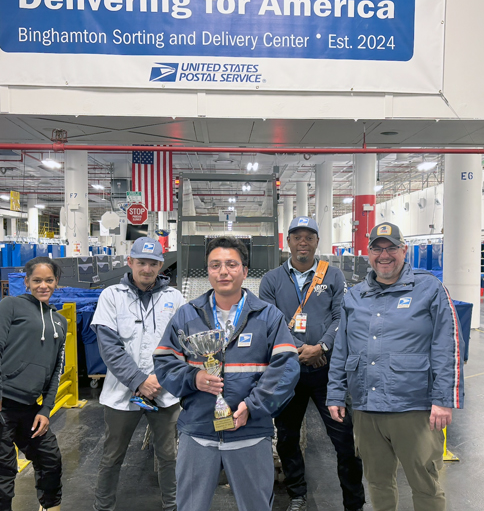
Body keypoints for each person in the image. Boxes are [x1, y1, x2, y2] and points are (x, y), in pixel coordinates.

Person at [153, 235, 300, 511]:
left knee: (256, 505)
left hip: (251, 432)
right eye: (215, 265)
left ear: (245, 271)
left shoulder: (268, 317)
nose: (223, 271)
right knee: (190, 506)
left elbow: (287, 368)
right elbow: (164, 361)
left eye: (231, 264)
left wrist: (252, 406)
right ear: (207, 271)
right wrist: (193, 378)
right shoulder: (187, 315)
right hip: (198, 431)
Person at [327, 222, 465, 511]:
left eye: (391, 248)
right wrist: (335, 394)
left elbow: (447, 345)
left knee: (424, 483)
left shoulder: (429, 288)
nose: (384, 255)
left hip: (414, 407)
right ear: (368, 254)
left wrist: (444, 400)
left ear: (404, 251)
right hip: (367, 407)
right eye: (377, 249)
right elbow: (342, 348)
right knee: (377, 481)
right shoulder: (355, 296)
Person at [259, 216, 365, 511]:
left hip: (327, 371)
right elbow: (270, 323)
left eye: (309, 237)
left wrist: (322, 346)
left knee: (344, 440)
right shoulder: (271, 280)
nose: (302, 242)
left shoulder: (333, 276)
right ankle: (297, 493)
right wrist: (299, 350)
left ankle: (354, 502)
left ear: (317, 242)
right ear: (288, 242)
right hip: (288, 373)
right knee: (287, 438)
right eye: (297, 237)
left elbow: (340, 316)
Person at [91, 236, 185, 511]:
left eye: (153, 263)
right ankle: (103, 507)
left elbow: (183, 344)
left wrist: (160, 379)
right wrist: (139, 381)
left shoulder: (174, 298)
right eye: (141, 262)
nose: (147, 269)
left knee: (168, 454)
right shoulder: (111, 296)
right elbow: (109, 348)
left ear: (160, 265)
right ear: (130, 262)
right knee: (112, 456)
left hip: (164, 392)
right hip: (122, 393)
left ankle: (173, 505)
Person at [0, 256, 67, 511]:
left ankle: (50, 507)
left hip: (28, 406)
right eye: (36, 280)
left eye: (49, 280)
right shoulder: (10, 305)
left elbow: (56, 370)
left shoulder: (60, 321)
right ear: (26, 282)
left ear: (56, 282)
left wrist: (45, 410)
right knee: (2, 473)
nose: (43, 285)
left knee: (49, 459)